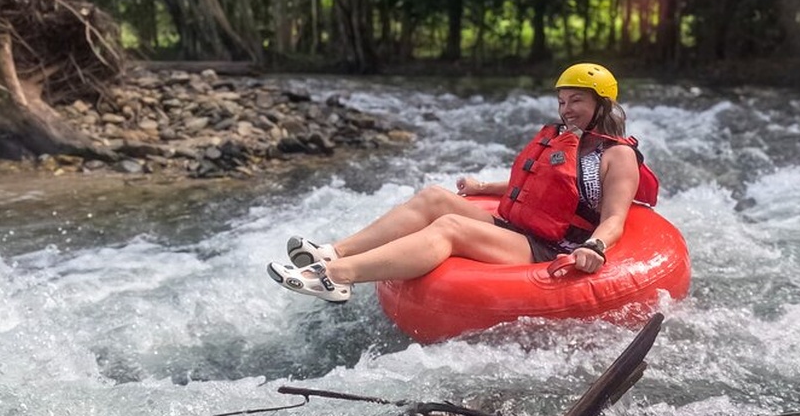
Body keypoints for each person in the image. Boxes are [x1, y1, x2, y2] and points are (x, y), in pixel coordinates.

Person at [267, 62, 641, 303]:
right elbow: (542, 189)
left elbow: (614, 218)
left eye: (576, 100)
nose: (566, 109)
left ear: (602, 105)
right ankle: (335, 252)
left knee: (449, 227)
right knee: (433, 198)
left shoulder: (616, 156)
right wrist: (484, 189)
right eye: (562, 101)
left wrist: (595, 246)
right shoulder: (565, 141)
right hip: (520, 228)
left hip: (551, 248)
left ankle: (334, 277)